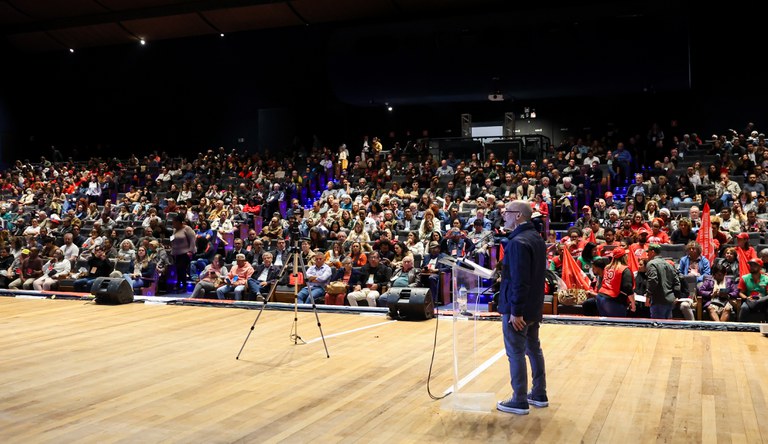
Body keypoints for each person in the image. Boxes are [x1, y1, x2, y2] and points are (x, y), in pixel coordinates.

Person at [496, 200, 548, 415]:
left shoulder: (517, 242)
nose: (504, 215)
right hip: (534, 306)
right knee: (533, 349)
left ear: (518, 216)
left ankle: (518, 399)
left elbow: (520, 280)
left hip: (519, 308)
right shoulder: (536, 238)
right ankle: (538, 393)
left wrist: (516, 311)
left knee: (515, 352)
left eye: (507, 212)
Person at [644, 244, 681, 319]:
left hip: (658, 301)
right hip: (670, 301)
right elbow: (677, 282)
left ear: (652, 252)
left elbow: (653, 280)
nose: (647, 254)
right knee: (667, 327)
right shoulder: (669, 264)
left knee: (657, 328)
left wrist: (648, 296)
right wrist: (676, 296)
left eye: (648, 252)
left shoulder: (651, 264)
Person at [170, 214, 196, 292]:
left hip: (185, 253)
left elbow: (192, 240)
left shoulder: (187, 229)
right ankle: (178, 284)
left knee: (182, 269)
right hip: (176, 253)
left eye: (174, 222)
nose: (172, 224)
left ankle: (183, 286)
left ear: (178, 222)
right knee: (178, 269)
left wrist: (190, 251)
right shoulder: (175, 230)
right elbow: (173, 239)